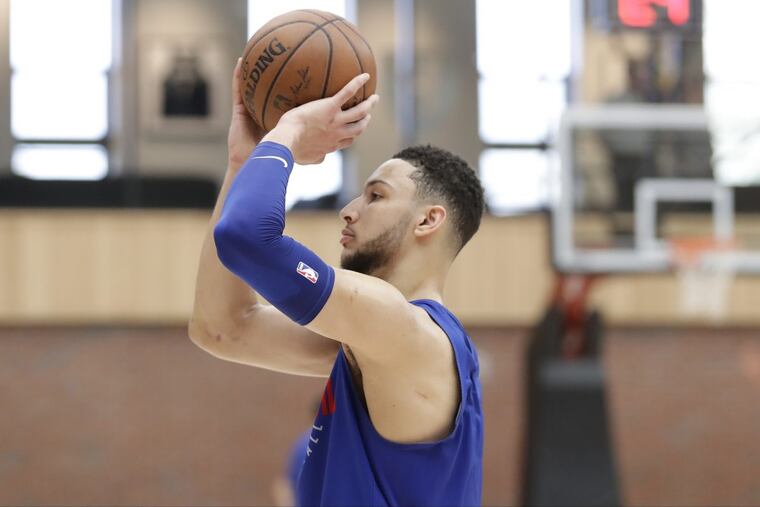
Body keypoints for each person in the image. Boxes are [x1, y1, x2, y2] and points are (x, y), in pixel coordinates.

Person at [189, 58, 484, 506]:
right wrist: (242, 163)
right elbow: (221, 328)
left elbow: (247, 236)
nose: (349, 208)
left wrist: (288, 130)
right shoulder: (375, 341)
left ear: (428, 220)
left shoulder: (399, 326)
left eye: (376, 195)